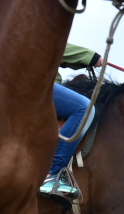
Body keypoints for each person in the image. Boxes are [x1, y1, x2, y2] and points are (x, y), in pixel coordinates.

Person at [42, 44, 97, 197]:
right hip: (34, 83)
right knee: (84, 108)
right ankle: (52, 174)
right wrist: (91, 57)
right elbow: (51, 45)